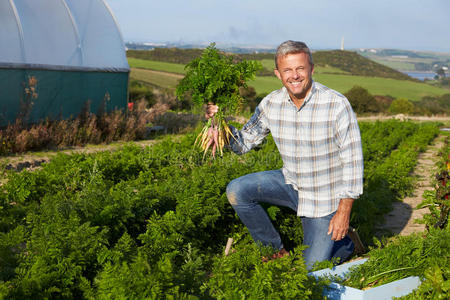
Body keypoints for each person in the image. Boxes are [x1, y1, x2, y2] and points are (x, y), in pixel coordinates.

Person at [206, 40, 364, 269]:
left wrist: (343, 212)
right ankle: (274, 250)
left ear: (311, 69)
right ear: (278, 74)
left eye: (300, 68)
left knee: (310, 270)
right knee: (237, 190)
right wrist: (220, 131)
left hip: (324, 197)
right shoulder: (271, 103)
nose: (295, 76)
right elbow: (244, 142)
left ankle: (345, 244)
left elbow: (353, 161)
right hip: (291, 183)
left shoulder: (336, 104)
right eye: (287, 70)